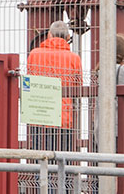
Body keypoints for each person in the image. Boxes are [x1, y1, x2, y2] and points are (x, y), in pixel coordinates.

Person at [26, 20, 83, 151]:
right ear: (68, 38)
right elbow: (78, 87)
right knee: (63, 159)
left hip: (39, 114)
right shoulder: (74, 58)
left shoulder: (34, 54)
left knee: (40, 159)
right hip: (64, 117)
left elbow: (30, 79)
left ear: (49, 35)